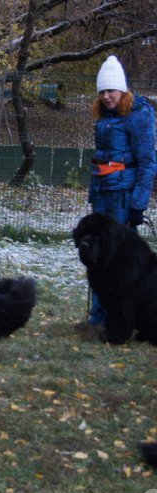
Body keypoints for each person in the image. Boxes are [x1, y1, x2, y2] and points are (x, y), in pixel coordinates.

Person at [83, 55, 156, 327]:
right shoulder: (104, 118)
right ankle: (98, 316)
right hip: (103, 194)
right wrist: (94, 194)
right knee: (96, 256)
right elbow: (101, 159)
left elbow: (148, 162)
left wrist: (138, 205)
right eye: (101, 91)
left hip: (124, 198)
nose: (105, 96)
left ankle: (121, 318)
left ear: (122, 90)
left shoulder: (139, 116)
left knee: (121, 262)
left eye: (110, 90)